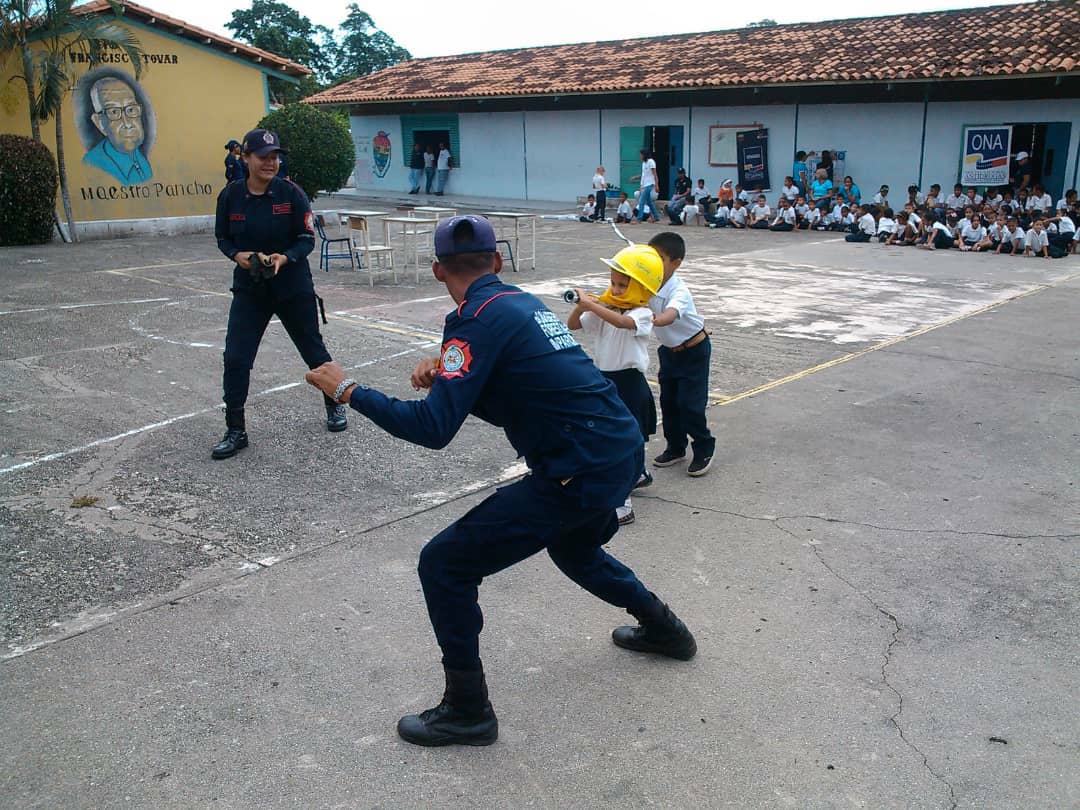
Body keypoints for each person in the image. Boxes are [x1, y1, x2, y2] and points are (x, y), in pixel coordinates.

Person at [304, 215, 697, 747]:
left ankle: (468, 710)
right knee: (576, 552)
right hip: (619, 450)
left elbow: (433, 428)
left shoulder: (473, 320)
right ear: (497, 261)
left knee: (444, 564)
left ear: (438, 270)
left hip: (578, 467)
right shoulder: (520, 303)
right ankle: (666, 630)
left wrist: (348, 388)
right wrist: (448, 374)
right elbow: (521, 388)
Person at [211, 128, 348, 459]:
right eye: (263, 156)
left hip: (292, 287)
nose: (271, 162)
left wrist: (284, 257)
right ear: (245, 158)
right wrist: (238, 256)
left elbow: (306, 238)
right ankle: (235, 429)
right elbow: (223, 237)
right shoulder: (230, 196)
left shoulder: (291, 194)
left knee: (314, 352)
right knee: (236, 358)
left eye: (275, 156)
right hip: (251, 290)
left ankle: (335, 405)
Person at [567, 244, 663, 525]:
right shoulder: (605, 307)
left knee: (622, 442)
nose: (616, 288)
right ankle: (639, 474)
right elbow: (574, 325)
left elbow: (623, 323)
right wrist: (582, 304)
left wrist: (593, 304)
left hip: (629, 382)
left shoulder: (642, 313)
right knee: (615, 440)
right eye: (613, 282)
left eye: (623, 284)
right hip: (605, 379)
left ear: (642, 288)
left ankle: (623, 503)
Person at [647, 231, 715, 476]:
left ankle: (704, 446)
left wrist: (645, 319)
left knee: (690, 405)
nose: (653, 263)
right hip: (669, 352)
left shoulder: (679, 290)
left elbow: (668, 317)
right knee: (669, 402)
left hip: (693, 350)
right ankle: (676, 447)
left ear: (675, 263)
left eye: (660, 258)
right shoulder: (646, 282)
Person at [81, 73, 153, 185]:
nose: (127, 123)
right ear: (99, 123)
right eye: (114, 112)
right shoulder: (92, 165)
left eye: (131, 110)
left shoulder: (141, 160)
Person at [629, 149, 660, 223]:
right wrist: (641, 186)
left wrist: (656, 185)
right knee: (649, 202)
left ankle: (639, 219)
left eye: (641, 154)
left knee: (642, 201)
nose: (640, 156)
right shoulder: (644, 163)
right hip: (645, 184)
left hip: (650, 184)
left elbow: (654, 174)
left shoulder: (651, 162)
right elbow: (643, 176)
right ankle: (656, 216)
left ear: (644, 155)